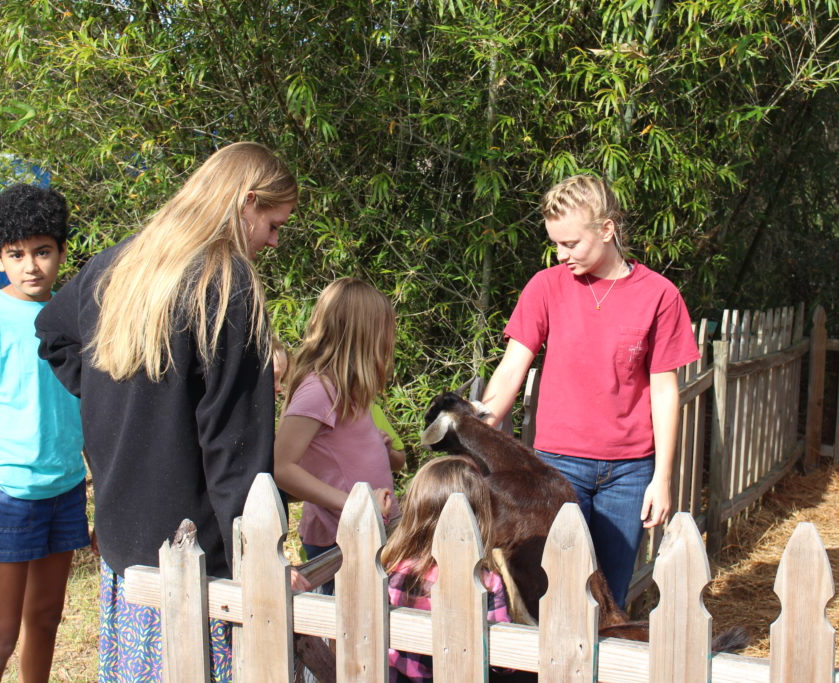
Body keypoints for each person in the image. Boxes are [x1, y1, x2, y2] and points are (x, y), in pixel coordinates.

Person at [34, 141, 297, 682]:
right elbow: (234, 445)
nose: (274, 240)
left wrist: (121, 404)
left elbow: (55, 332)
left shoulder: (124, 259)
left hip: (124, 535)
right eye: (272, 223)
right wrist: (257, 559)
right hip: (195, 559)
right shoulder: (227, 286)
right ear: (244, 202)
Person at [479, 174, 699, 609]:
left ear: (607, 230)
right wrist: (478, 434)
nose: (561, 255)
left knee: (608, 596)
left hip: (630, 474)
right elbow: (510, 372)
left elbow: (664, 391)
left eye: (571, 243)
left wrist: (662, 476)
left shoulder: (660, 296)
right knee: (550, 594)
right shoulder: (545, 287)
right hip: (556, 468)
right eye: (555, 244)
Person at [0, 184, 89, 682]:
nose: (31, 265)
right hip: (6, 497)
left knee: (46, 619)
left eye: (42, 251)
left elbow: (88, 409)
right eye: (16, 254)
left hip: (64, 489)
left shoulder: (73, 316)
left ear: (60, 251)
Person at [274, 278, 403, 581]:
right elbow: (282, 467)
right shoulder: (319, 389)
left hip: (369, 531)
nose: (391, 338)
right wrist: (355, 504)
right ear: (363, 334)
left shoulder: (350, 390)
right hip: (339, 540)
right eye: (385, 328)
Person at [379, 456, 511, 682]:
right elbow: (503, 660)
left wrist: (382, 517)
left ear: (415, 511)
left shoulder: (393, 569)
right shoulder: (486, 583)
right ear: (480, 516)